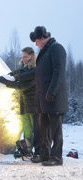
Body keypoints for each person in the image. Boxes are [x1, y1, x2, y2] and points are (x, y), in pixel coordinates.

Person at [15, 26, 68, 166]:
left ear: (42, 38)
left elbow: (59, 71)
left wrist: (52, 91)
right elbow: (36, 73)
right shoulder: (44, 52)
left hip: (54, 98)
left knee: (55, 130)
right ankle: (45, 155)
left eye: (37, 42)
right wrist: (17, 77)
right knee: (44, 128)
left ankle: (57, 158)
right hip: (43, 100)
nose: (36, 45)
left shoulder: (56, 49)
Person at [0, 47, 40, 157]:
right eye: (22, 57)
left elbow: (23, 85)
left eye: (25, 57)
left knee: (36, 130)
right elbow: (14, 74)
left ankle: (38, 152)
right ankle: (27, 149)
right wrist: (5, 76)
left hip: (34, 104)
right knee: (27, 129)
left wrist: (6, 82)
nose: (23, 59)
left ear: (31, 56)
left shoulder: (35, 69)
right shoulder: (24, 68)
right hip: (24, 104)